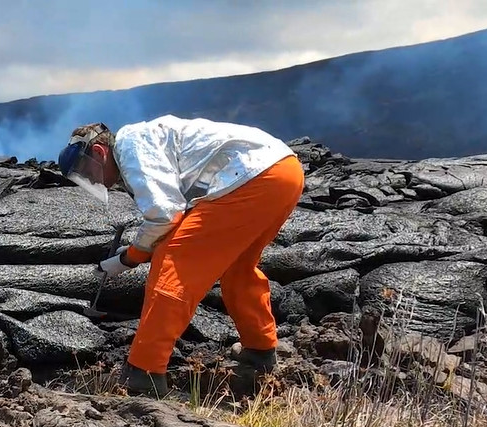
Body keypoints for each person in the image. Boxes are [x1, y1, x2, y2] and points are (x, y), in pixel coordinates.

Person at [57, 115, 305, 397]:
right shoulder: (144, 139)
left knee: (172, 259)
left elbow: (165, 215)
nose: (91, 179)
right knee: (239, 267)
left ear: (99, 152)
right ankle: (260, 350)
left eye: (86, 171)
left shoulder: (131, 146)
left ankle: (144, 372)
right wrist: (134, 254)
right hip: (284, 172)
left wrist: (131, 257)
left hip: (253, 175)